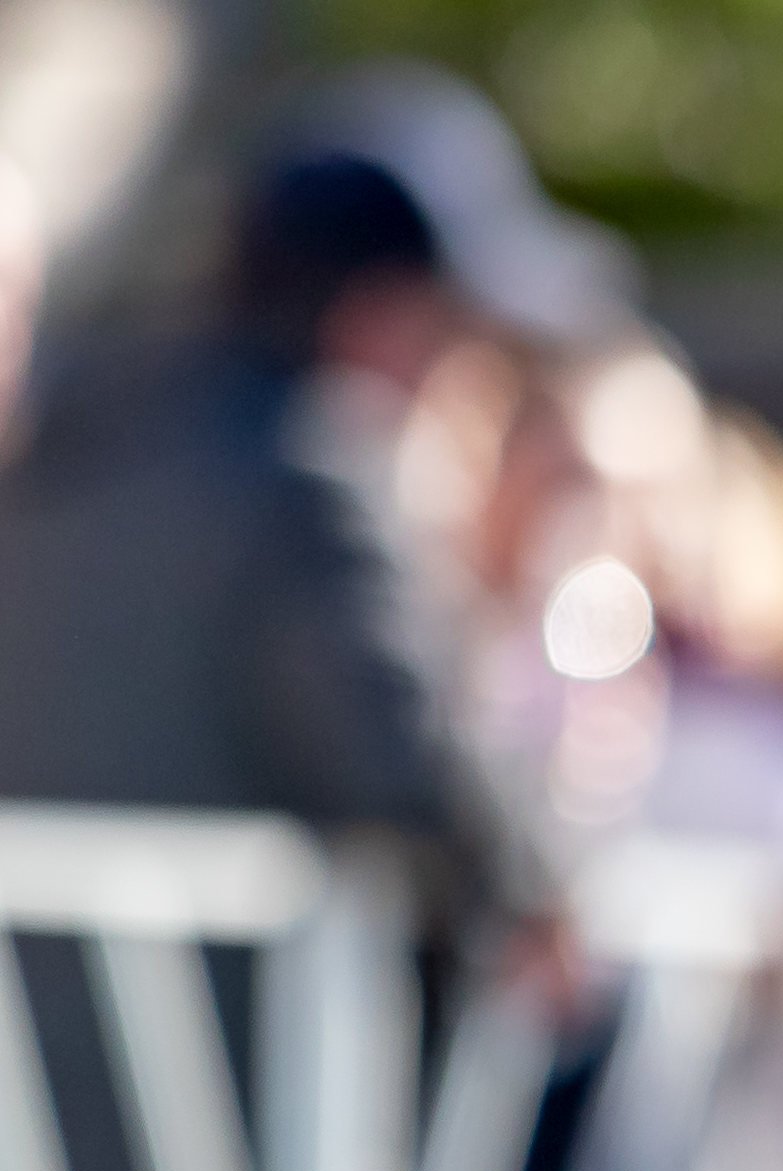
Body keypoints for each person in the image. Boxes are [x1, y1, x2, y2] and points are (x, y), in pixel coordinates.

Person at [0, 68, 621, 922]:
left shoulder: (74, 447)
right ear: (376, 317)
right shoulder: (308, 481)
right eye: (453, 335)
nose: (459, 378)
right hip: (225, 1044)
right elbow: (409, 773)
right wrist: (544, 889)